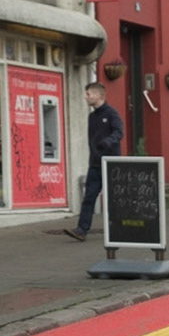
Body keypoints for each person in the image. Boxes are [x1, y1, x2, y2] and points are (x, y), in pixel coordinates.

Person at [65, 82, 121, 242]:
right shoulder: (92, 116)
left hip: (111, 164)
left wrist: (108, 142)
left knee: (114, 198)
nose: (86, 97)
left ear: (98, 96)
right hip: (95, 164)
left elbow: (119, 132)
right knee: (89, 196)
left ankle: (118, 229)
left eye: (88, 94)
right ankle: (81, 229)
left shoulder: (111, 114)